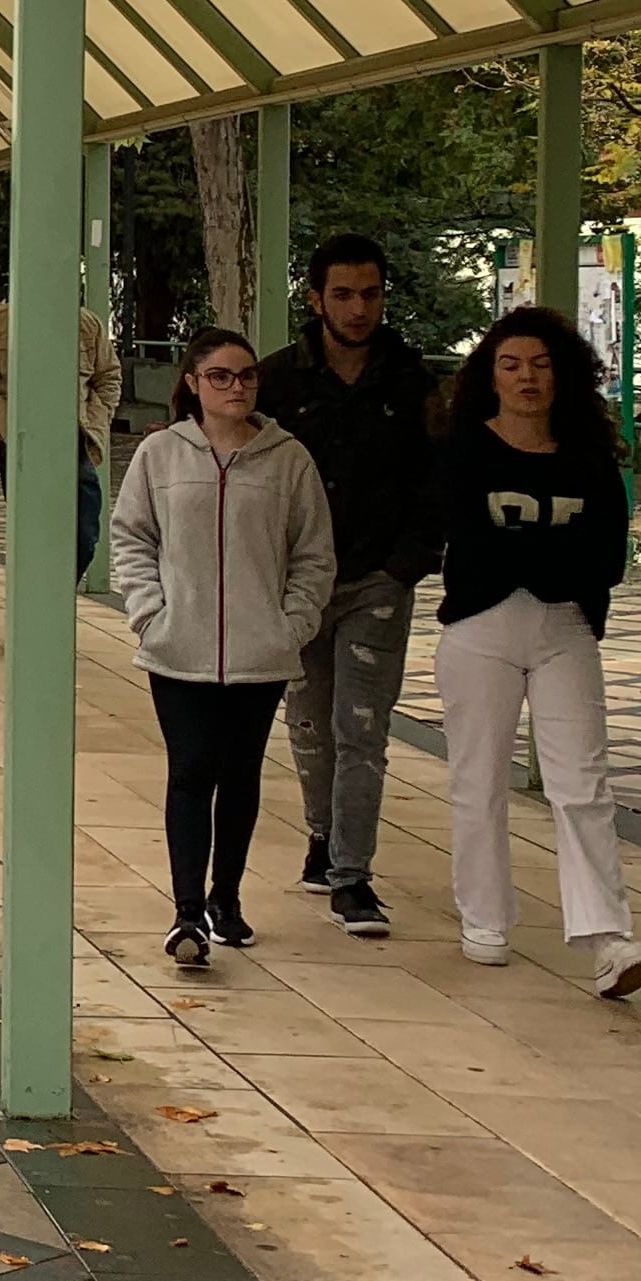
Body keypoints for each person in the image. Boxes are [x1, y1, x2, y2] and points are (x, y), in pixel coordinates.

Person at [433, 306, 641, 999]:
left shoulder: (590, 456)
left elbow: (606, 558)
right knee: (480, 779)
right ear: (490, 377)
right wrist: (545, 553)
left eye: (539, 364)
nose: (526, 378)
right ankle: (486, 918)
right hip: (481, 627)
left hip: (566, 628)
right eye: (510, 365)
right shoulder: (465, 449)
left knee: (582, 783)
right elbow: (471, 546)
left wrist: (540, 559)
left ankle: (607, 938)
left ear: (562, 374)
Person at [111, 326, 334, 969]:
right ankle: (186, 913)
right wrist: (150, 613)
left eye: (247, 376)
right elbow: (132, 538)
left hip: (259, 654)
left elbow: (313, 553)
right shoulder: (161, 455)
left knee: (240, 776)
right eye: (221, 376)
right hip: (177, 648)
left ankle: (226, 899)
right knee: (190, 773)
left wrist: (291, 624)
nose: (236, 387)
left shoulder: (288, 458)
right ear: (193, 383)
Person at [258, 235, 438, 938]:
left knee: (362, 728)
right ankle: (321, 834)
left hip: (377, 580)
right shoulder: (279, 383)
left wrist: (407, 563)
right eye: (343, 294)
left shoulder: (411, 383)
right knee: (310, 722)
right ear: (316, 299)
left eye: (370, 294)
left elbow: (435, 480)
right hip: (298, 583)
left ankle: (353, 875)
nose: (358, 308)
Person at [0, 292, 126, 575]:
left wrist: (97, 419)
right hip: (21, 443)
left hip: (75, 442)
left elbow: (108, 376)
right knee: (30, 533)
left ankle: (60, 594)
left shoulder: (86, 324)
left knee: (85, 535)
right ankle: (38, 601)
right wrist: (1, 425)